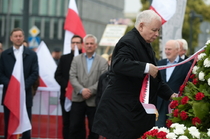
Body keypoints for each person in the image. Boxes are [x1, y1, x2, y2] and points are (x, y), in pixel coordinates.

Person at [92, 10, 176, 139]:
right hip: (121, 113)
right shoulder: (129, 41)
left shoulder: (145, 44)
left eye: (158, 31)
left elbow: (154, 80)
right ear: (141, 26)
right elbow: (119, 63)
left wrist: (171, 95)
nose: (156, 34)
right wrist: (146, 67)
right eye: (154, 30)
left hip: (134, 113)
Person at [0, 28, 39, 139]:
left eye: (20, 36)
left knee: (25, 126)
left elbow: (34, 73)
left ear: (23, 37)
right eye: (15, 36)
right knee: (9, 124)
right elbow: (1, 74)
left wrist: (21, 87)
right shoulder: (4, 55)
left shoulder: (31, 55)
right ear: (11, 38)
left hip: (25, 96)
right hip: (10, 96)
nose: (18, 38)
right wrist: (13, 87)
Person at [69, 34, 108, 139]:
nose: (89, 45)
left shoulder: (102, 61)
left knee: (94, 129)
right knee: (75, 127)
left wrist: (89, 91)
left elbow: (103, 79)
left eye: (91, 43)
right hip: (78, 99)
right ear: (83, 45)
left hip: (94, 100)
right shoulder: (76, 60)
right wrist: (81, 90)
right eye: (87, 43)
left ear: (96, 45)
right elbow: (72, 76)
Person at [156, 40, 192, 127]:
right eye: (166, 49)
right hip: (160, 104)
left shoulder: (186, 65)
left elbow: (189, 85)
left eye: (169, 49)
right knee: (158, 129)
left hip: (176, 105)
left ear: (177, 50)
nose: (167, 52)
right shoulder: (160, 64)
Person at [54, 35, 84, 139]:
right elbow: (57, 75)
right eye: (73, 43)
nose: (75, 45)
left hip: (80, 97)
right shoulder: (64, 58)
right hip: (66, 95)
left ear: (81, 45)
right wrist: (66, 86)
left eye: (77, 43)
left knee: (79, 123)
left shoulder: (85, 58)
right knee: (66, 122)